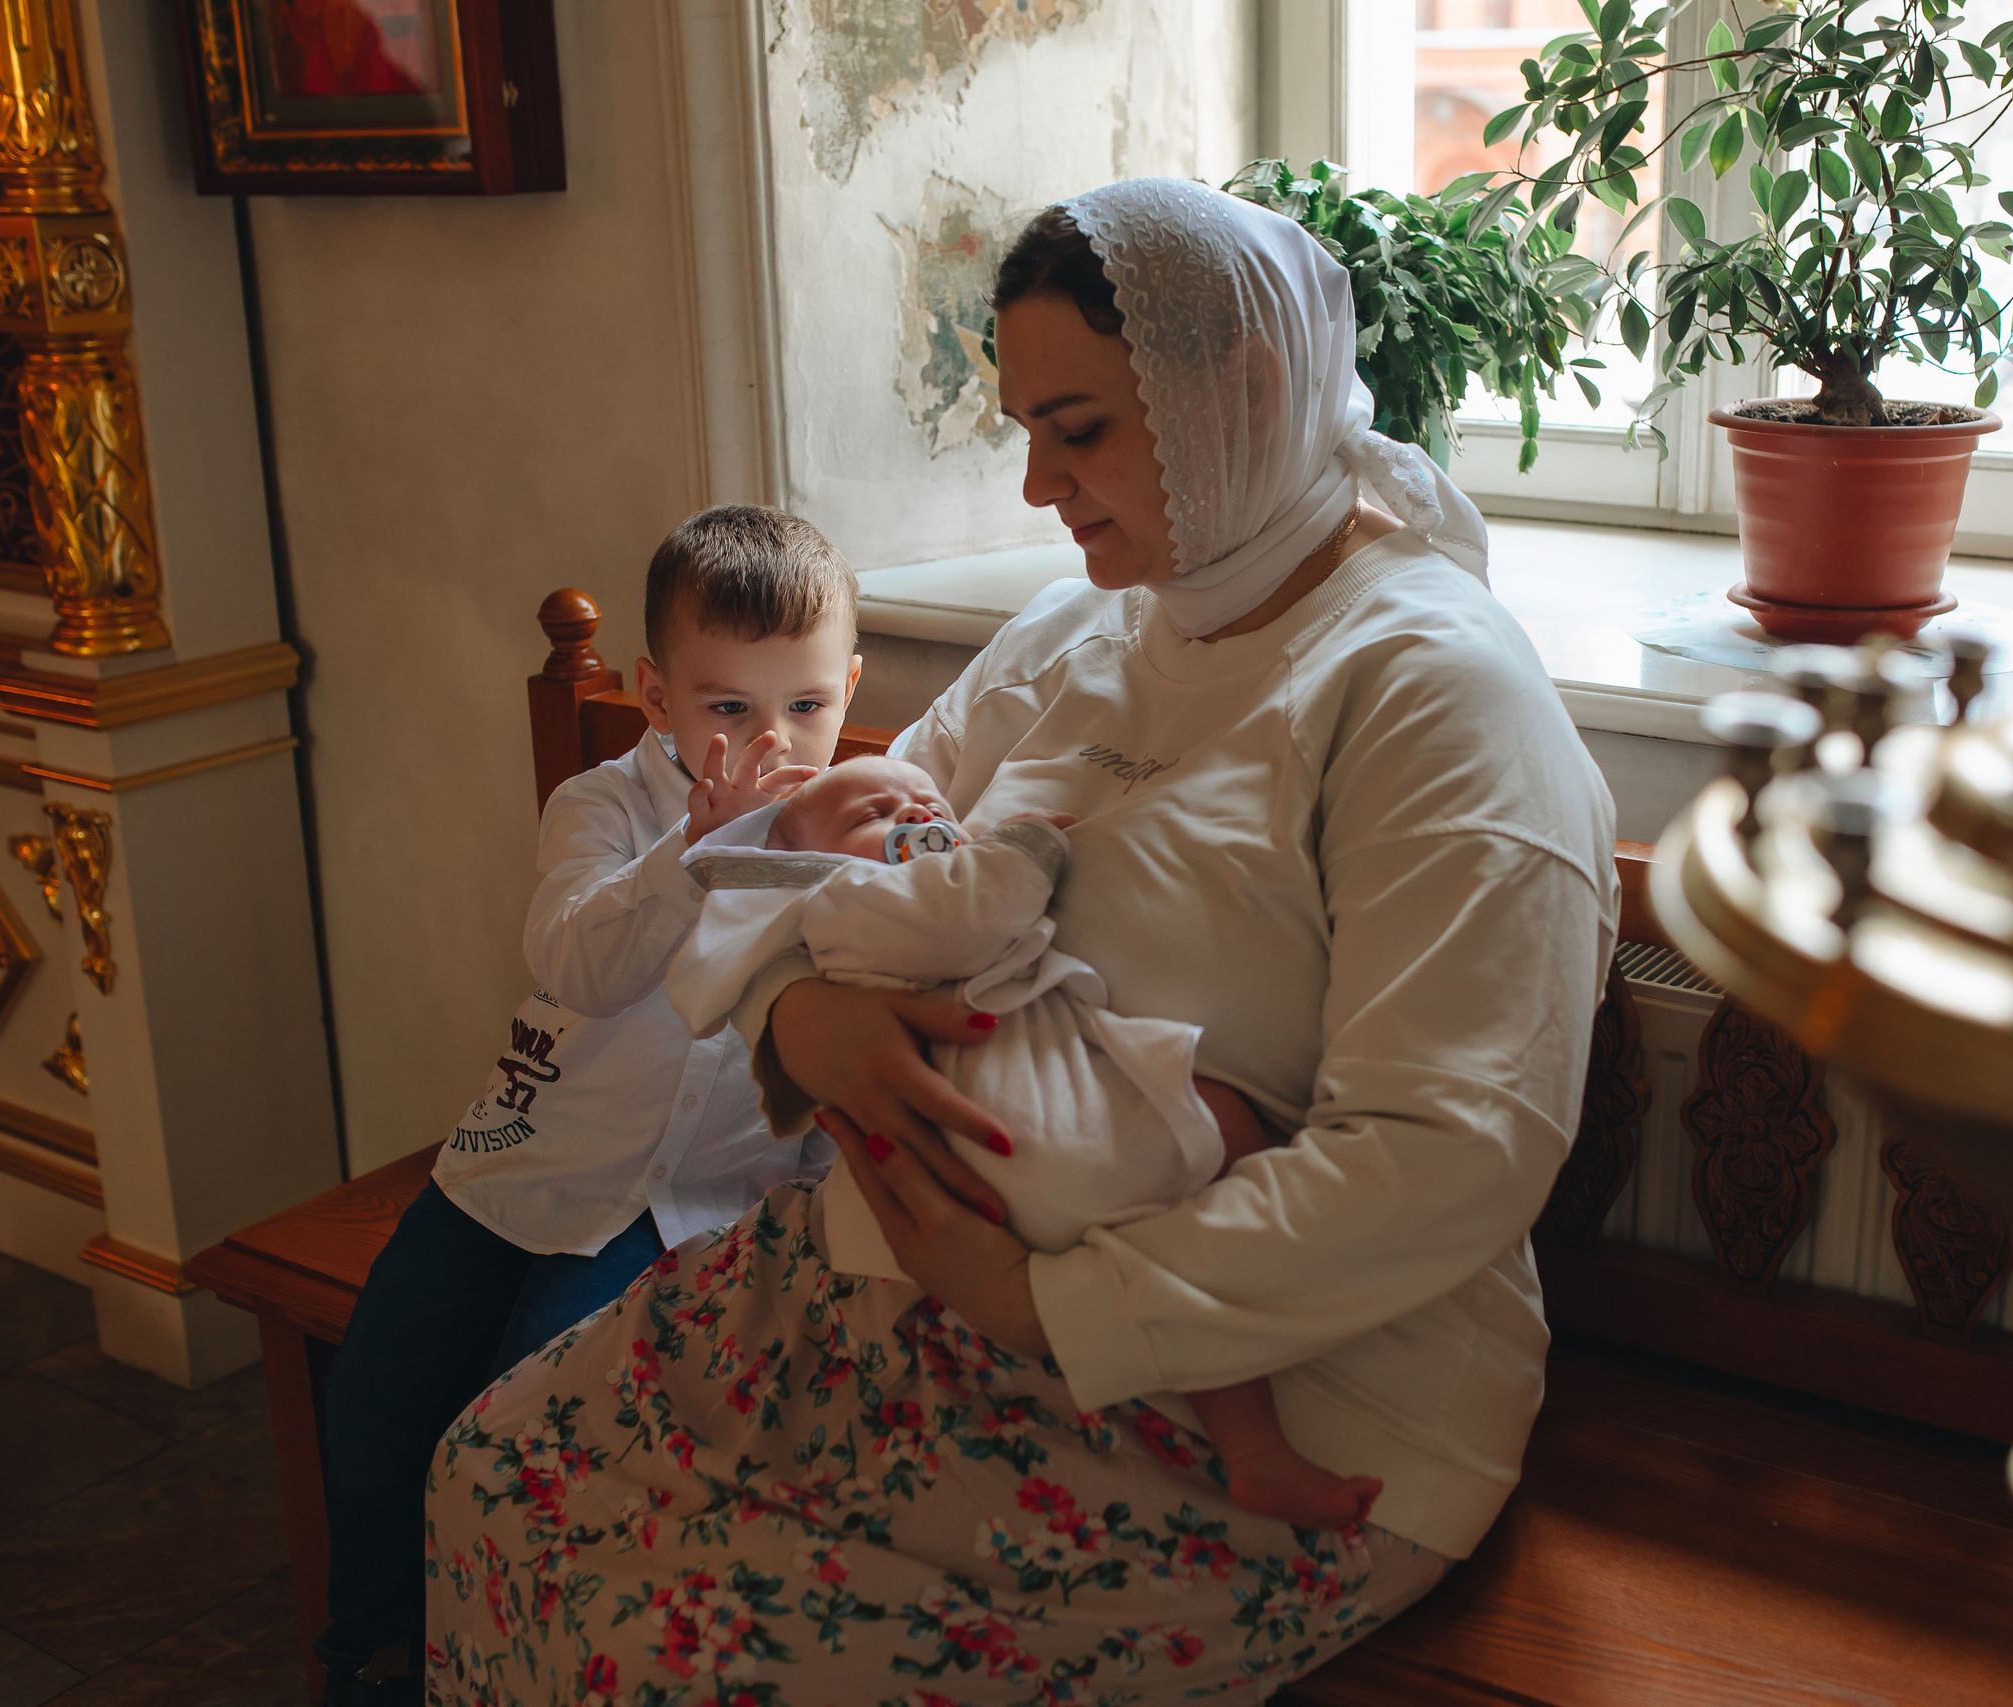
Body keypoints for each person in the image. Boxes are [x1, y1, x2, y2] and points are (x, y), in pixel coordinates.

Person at [427, 179, 1617, 1704]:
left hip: (1278, 1391)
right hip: (913, 1280)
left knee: (669, 1659)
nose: (1043, 486)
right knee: (495, 1473)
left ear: (1239, 393)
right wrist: (802, 1023)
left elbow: (1454, 1152)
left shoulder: (1432, 691)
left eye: (1083, 429)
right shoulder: (1088, 630)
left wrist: (1033, 1302)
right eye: (1027, 432)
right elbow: (820, 843)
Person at [315, 505, 858, 1706]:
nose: (773, 742)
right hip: (526, 1160)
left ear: (847, 689)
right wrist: (698, 858)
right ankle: (376, 1648)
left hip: (682, 1214)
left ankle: (500, 1670)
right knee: (376, 1408)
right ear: (657, 697)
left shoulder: (849, 833)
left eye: (805, 707)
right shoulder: (605, 807)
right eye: (729, 709)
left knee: (523, 1437)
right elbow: (580, 966)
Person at [669, 754, 1387, 1529]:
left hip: (1012, 1136)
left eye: (930, 800)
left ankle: (1252, 1452)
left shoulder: (884, 887)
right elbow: (967, 914)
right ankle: (1251, 1431)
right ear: (805, 862)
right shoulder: (844, 903)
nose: (917, 815)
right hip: (1025, 1135)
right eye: (875, 813)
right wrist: (1026, 846)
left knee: (1224, 1149)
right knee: (1220, 1148)